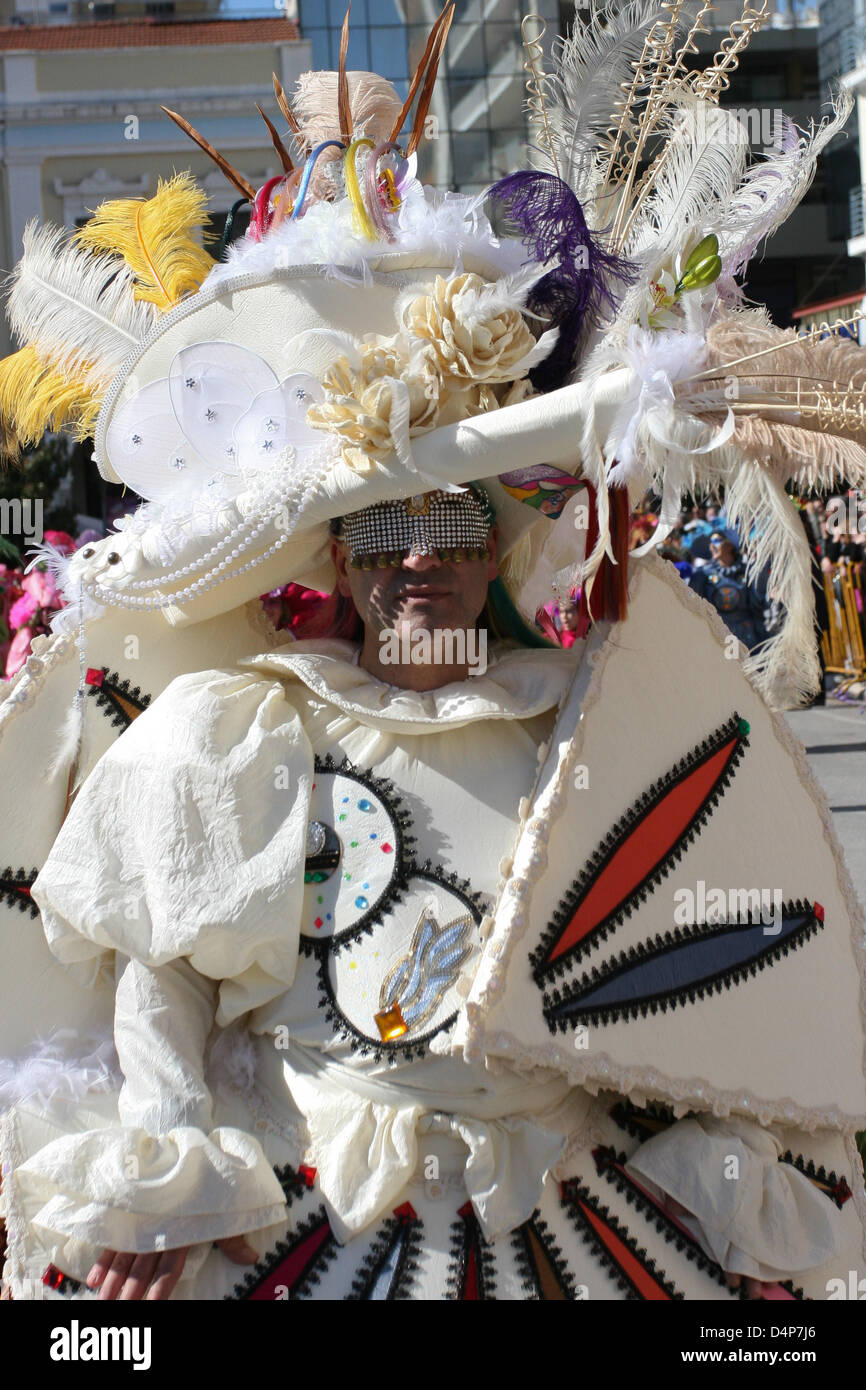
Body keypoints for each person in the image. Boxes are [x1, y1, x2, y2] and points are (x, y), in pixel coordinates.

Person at [2, 9, 866, 1305]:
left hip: (571, 1235)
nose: (417, 560)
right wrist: (166, 1171)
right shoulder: (228, 732)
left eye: (448, 525)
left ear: (496, 549)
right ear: (334, 563)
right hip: (313, 1221)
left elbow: (702, 970)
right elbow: (163, 983)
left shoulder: (598, 723)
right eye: (383, 531)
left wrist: (728, 1168)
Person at [688, 533, 769, 652]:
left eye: (716, 541)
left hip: (748, 635)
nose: (712, 546)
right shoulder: (702, 575)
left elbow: (758, 602)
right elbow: (692, 606)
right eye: (710, 543)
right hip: (719, 636)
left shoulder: (747, 571)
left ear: (730, 545)